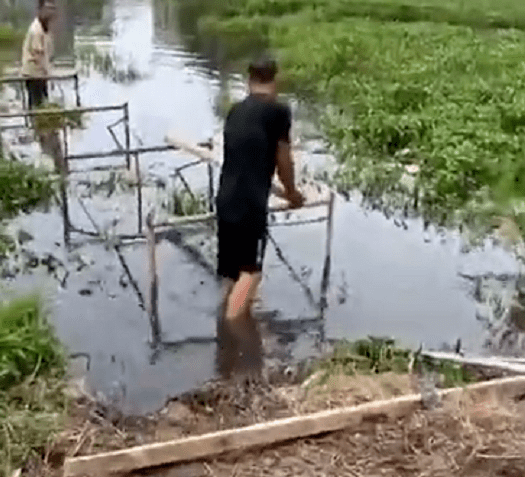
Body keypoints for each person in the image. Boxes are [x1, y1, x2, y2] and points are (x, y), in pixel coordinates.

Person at [215, 55, 305, 377]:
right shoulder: (278, 111)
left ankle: (224, 363)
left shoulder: (235, 111)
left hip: (224, 199)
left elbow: (243, 154)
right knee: (251, 273)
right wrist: (293, 193)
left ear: (249, 78)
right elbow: (283, 158)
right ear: (275, 79)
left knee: (231, 273)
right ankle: (238, 333)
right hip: (250, 203)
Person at [21, 0, 56, 110]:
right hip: (34, 73)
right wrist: (48, 75)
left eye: (52, 9)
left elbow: (46, 53)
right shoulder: (36, 30)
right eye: (47, 9)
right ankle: (34, 124)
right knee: (37, 104)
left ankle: (36, 124)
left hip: (40, 73)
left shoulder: (44, 27)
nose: (49, 12)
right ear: (40, 10)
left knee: (42, 103)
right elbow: (39, 56)